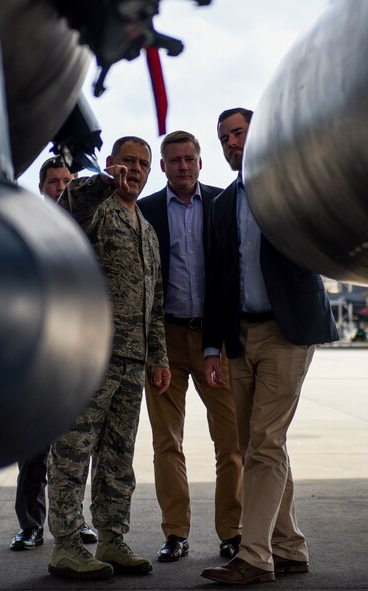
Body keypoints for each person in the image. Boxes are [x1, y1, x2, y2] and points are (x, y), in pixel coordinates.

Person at [200, 108, 339, 585]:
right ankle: (290, 547)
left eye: (238, 133)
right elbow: (216, 281)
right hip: (239, 336)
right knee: (256, 444)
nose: (231, 143)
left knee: (265, 442)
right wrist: (211, 348)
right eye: (224, 138)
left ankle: (255, 556)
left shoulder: (296, 187)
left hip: (287, 331)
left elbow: (327, 235)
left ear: (259, 134)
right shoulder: (221, 205)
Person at [48, 136, 171, 579]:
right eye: (126, 163)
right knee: (73, 450)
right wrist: (101, 181)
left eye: (142, 164)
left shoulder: (148, 231)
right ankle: (65, 543)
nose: (134, 171)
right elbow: (71, 206)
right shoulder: (95, 208)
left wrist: (159, 357)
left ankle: (113, 538)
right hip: (90, 359)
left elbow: (155, 303)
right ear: (112, 164)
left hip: (132, 363)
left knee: (118, 458)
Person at [137, 131, 243, 563]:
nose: (183, 166)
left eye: (190, 159)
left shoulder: (222, 205)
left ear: (201, 163)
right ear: (162, 167)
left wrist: (218, 342)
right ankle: (176, 532)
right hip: (163, 341)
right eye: (174, 160)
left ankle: (232, 532)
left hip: (212, 341)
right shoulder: (144, 211)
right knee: (167, 442)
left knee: (231, 442)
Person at [9, 156, 96, 552]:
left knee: (77, 448)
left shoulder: (92, 226)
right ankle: (30, 525)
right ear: (41, 187)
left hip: (78, 352)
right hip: (34, 354)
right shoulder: (25, 227)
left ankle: (75, 522)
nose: (60, 187)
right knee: (33, 449)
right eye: (52, 182)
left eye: (66, 181)